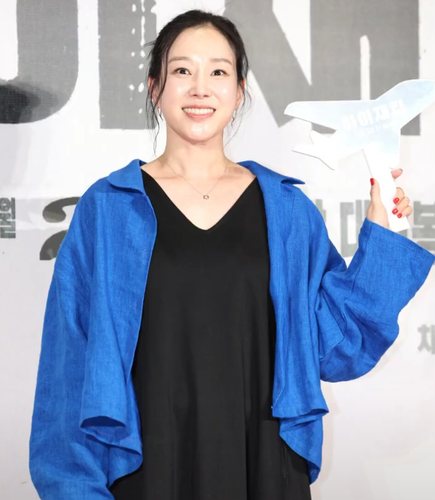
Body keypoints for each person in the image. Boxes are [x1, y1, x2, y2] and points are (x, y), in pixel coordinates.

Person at [28, 9, 435, 500]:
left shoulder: (287, 210)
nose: (201, 88)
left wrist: (382, 231)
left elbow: (337, 345)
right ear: (155, 87)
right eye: (182, 70)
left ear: (239, 91)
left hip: (263, 467)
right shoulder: (109, 209)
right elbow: (68, 369)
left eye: (218, 72)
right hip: (148, 472)